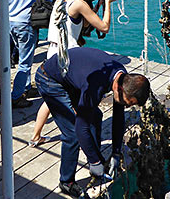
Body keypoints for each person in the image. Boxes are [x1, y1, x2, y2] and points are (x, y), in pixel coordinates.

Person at [36, 47, 150, 197]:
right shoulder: (96, 85)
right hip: (49, 79)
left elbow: (118, 118)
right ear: (119, 88)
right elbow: (80, 126)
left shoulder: (122, 76)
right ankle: (66, 181)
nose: (128, 106)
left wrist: (116, 152)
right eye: (128, 103)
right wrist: (93, 160)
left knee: (95, 116)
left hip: (73, 79)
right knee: (72, 133)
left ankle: (97, 162)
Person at [29, 0, 118, 147]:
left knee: (51, 99)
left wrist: (98, 4)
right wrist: (108, 3)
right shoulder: (79, 4)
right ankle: (86, 137)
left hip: (52, 53)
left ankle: (36, 136)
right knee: (80, 99)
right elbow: (104, 27)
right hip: (69, 58)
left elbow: (83, 24)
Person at [8, 0, 53, 108]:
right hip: (26, 22)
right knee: (25, 62)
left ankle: (26, 87)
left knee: (22, 56)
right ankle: (16, 96)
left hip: (10, 22)